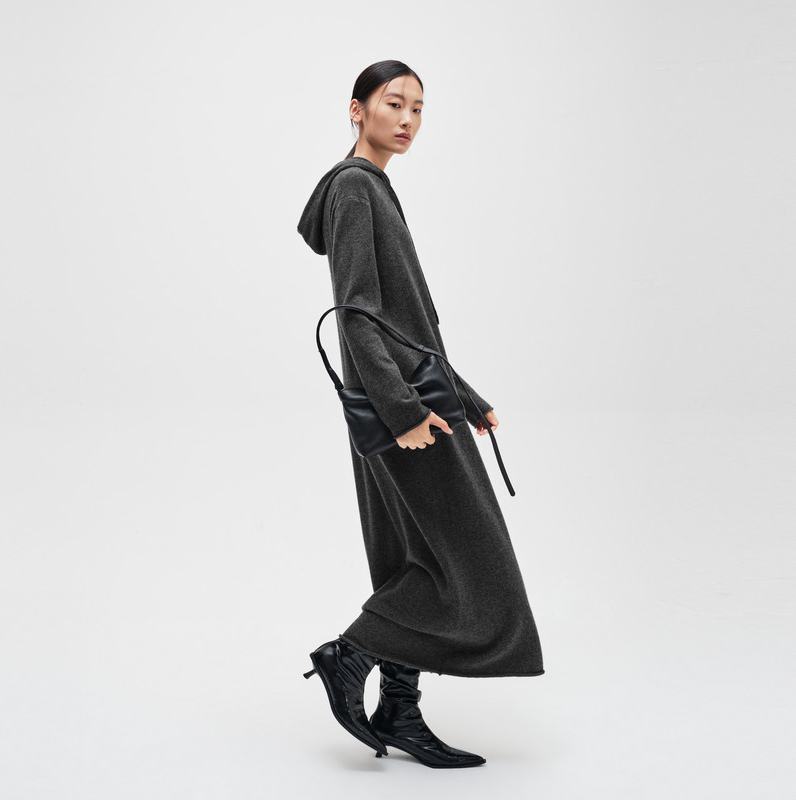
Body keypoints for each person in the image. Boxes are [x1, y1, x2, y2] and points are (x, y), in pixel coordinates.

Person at [296, 60, 544, 769]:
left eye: (418, 108)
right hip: (403, 409)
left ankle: (399, 709)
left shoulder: (372, 187)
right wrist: (404, 410)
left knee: (417, 557)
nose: (407, 119)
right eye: (393, 103)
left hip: (414, 398)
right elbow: (357, 314)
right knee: (475, 566)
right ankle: (349, 654)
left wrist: (465, 396)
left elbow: (405, 326)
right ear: (357, 109)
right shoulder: (354, 188)